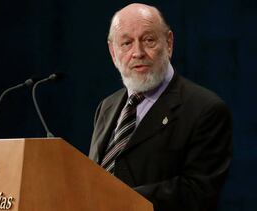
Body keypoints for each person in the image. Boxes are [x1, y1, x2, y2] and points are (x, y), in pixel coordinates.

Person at [89, 3, 233, 211]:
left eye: (148, 40)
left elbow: (198, 192)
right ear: (113, 52)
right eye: (126, 43)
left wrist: (116, 199)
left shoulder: (206, 109)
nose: (137, 52)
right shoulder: (107, 106)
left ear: (169, 43)